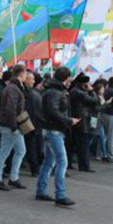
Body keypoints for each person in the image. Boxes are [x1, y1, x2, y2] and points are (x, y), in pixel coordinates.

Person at [36, 67, 80, 208]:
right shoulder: (56, 92)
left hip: (49, 130)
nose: (71, 80)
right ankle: (60, 195)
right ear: (65, 78)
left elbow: (51, 110)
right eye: (69, 77)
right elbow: (52, 111)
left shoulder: (51, 90)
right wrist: (68, 120)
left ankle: (41, 191)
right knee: (62, 162)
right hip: (54, 130)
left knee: (49, 162)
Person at [0, 65, 28, 191]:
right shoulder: (13, 88)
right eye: (25, 74)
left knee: (20, 150)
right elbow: (10, 108)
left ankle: (13, 177)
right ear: (21, 74)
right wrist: (13, 126)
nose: (27, 76)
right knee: (5, 152)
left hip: (12, 125)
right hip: (10, 125)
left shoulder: (14, 87)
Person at [69, 73, 101, 173]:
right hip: (83, 121)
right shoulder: (80, 93)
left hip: (80, 120)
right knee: (84, 145)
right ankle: (84, 166)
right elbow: (95, 101)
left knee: (76, 144)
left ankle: (73, 164)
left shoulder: (75, 91)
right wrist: (92, 91)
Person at [24, 71, 45, 177]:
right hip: (31, 125)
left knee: (38, 147)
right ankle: (35, 169)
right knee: (32, 148)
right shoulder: (27, 93)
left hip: (36, 124)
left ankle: (37, 167)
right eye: (31, 79)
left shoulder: (34, 93)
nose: (33, 81)